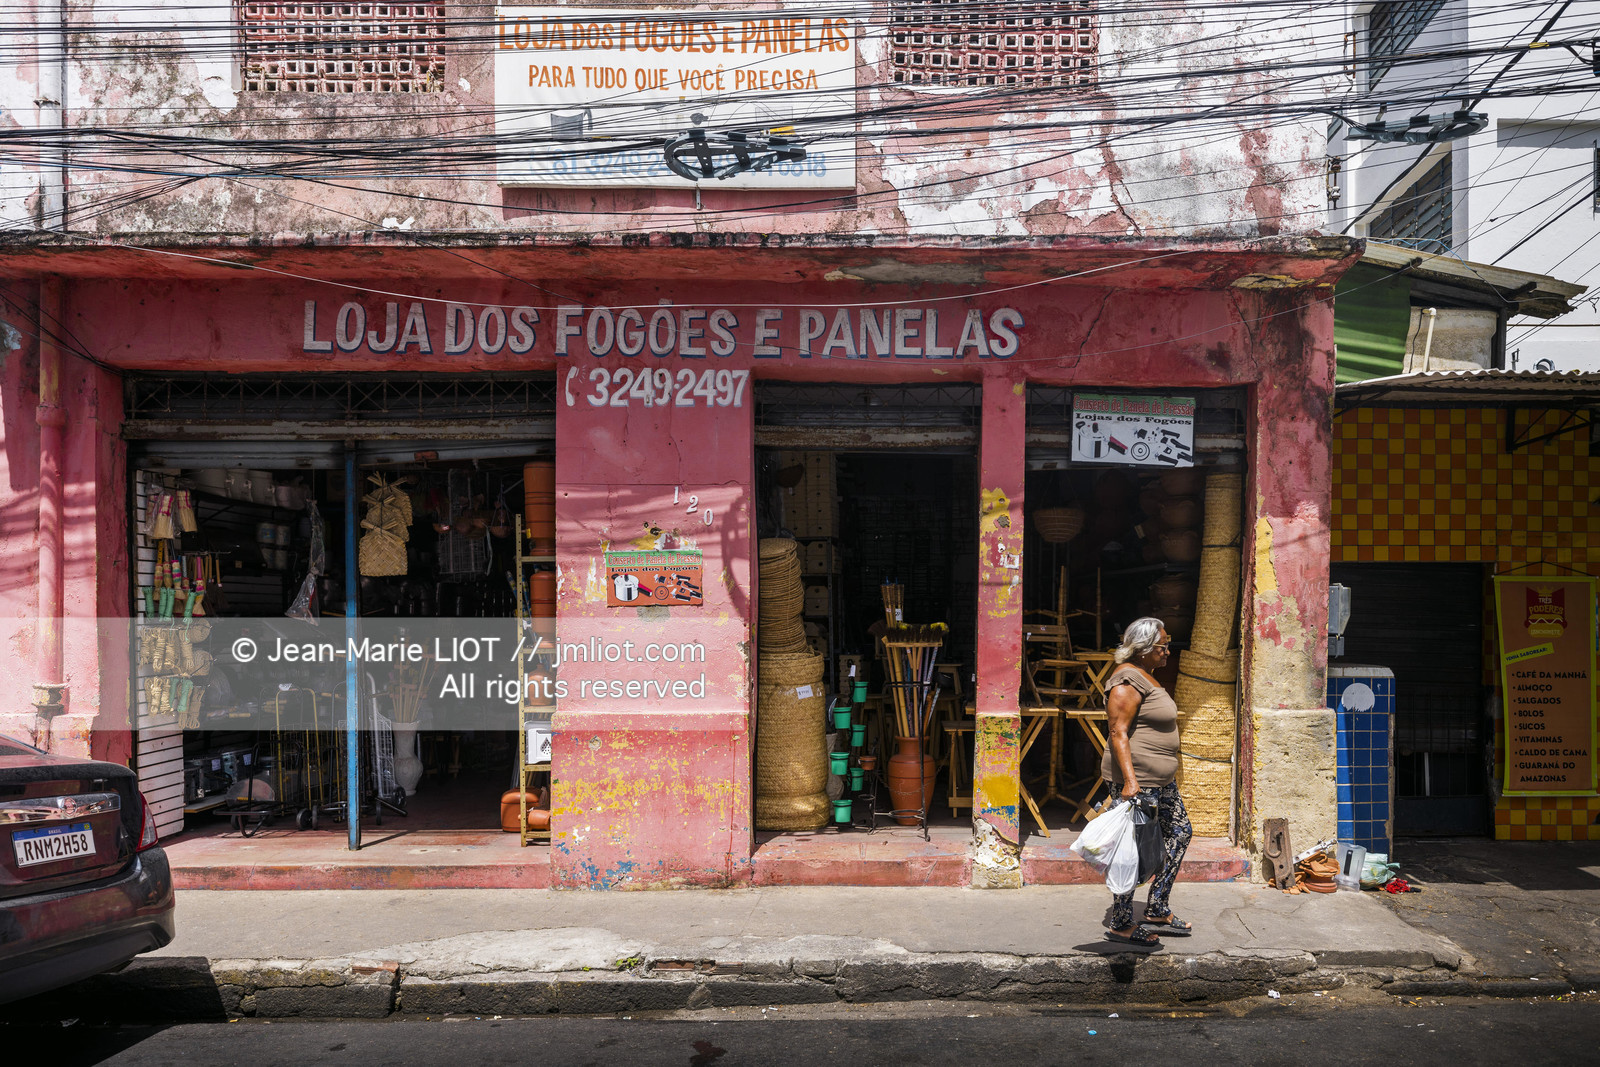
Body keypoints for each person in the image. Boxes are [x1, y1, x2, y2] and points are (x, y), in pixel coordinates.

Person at [1099, 616, 1193, 947]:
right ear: (1143, 649)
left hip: (1160, 780)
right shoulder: (1127, 681)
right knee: (1132, 849)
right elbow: (1117, 732)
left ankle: (1156, 907)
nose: (1168, 651)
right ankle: (1122, 922)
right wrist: (1130, 782)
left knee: (1181, 832)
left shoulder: (1145, 676)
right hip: (1139, 781)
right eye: (1163, 646)